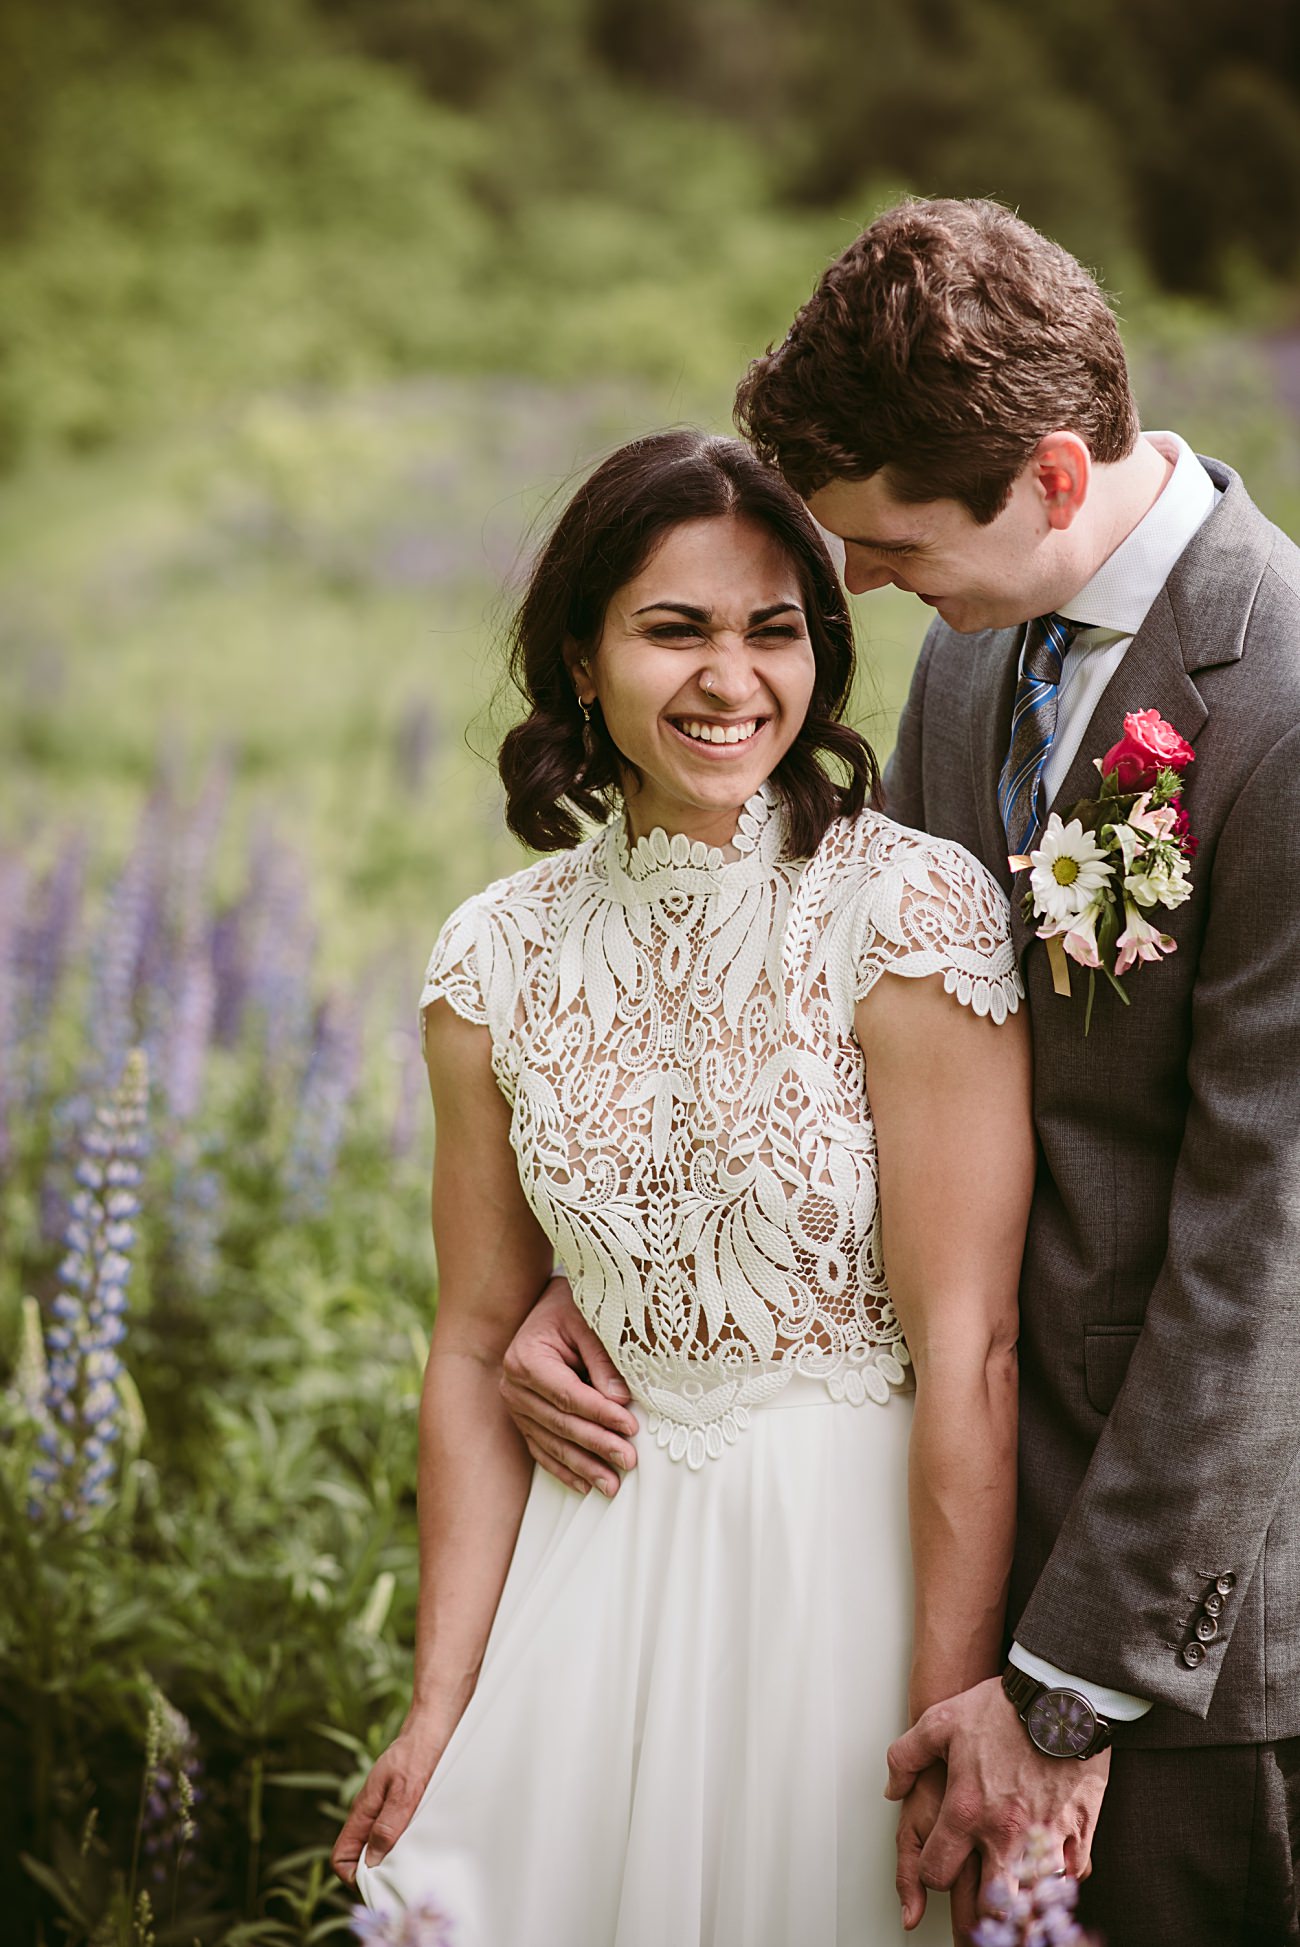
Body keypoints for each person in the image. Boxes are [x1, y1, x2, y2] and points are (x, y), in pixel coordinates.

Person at [502, 199, 1300, 1946]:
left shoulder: (1285, 697)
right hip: (911, 1558)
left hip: (1180, 1624)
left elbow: (1266, 1254)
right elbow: (833, 1037)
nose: (854, 585)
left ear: (1058, 472)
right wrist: (608, 1283)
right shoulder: (970, 649)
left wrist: (1075, 1688)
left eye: (890, 539)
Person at [331, 427, 1034, 1945]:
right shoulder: (491, 961)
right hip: (596, 1581)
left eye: (773, 631)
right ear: (582, 660)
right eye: (675, 630)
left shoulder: (906, 909)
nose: (732, 679)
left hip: (848, 1577)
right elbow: (471, 1340)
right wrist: (439, 1705)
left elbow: (972, 1347)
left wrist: (943, 1713)